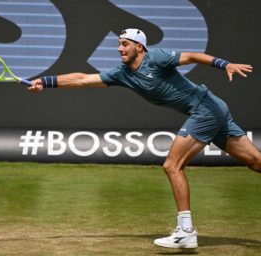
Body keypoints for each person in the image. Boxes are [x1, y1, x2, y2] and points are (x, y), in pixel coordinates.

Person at [28, 28, 261, 249]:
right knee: (255, 163)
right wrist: (45, 82)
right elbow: (82, 79)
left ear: (139, 47)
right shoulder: (121, 74)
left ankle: (186, 232)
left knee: (172, 166)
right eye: (119, 44)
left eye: (125, 44)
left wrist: (225, 64)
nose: (120, 49)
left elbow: (191, 56)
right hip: (214, 108)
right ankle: (185, 231)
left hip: (205, 109)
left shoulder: (156, 58)